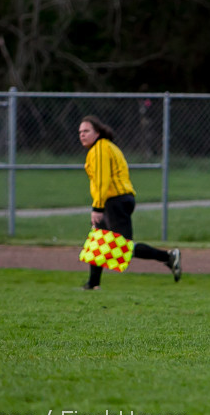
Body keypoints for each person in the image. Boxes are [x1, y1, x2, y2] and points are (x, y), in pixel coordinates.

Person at [78, 115, 182, 290]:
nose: (82, 135)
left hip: (114, 201)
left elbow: (103, 180)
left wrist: (97, 207)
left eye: (86, 131)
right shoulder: (107, 147)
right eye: (80, 132)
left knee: (123, 246)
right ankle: (92, 284)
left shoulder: (100, 149)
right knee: (98, 241)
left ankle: (168, 257)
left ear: (97, 133)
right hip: (119, 199)